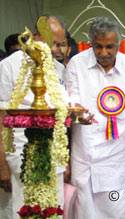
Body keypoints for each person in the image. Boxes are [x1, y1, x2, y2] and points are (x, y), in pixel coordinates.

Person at [66, 16, 125, 219]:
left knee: (116, 210)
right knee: (84, 211)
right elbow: (71, 102)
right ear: (91, 43)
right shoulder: (76, 64)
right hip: (85, 154)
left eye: (109, 47)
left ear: (118, 44)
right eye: (98, 47)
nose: (103, 53)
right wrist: (77, 114)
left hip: (116, 155)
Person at [0, 15, 67, 219]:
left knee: (55, 210)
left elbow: (63, 113)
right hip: (21, 156)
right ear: (37, 36)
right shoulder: (10, 66)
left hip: (54, 156)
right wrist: (2, 166)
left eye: (61, 44)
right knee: (24, 212)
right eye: (53, 43)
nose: (57, 50)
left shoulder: (58, 68)